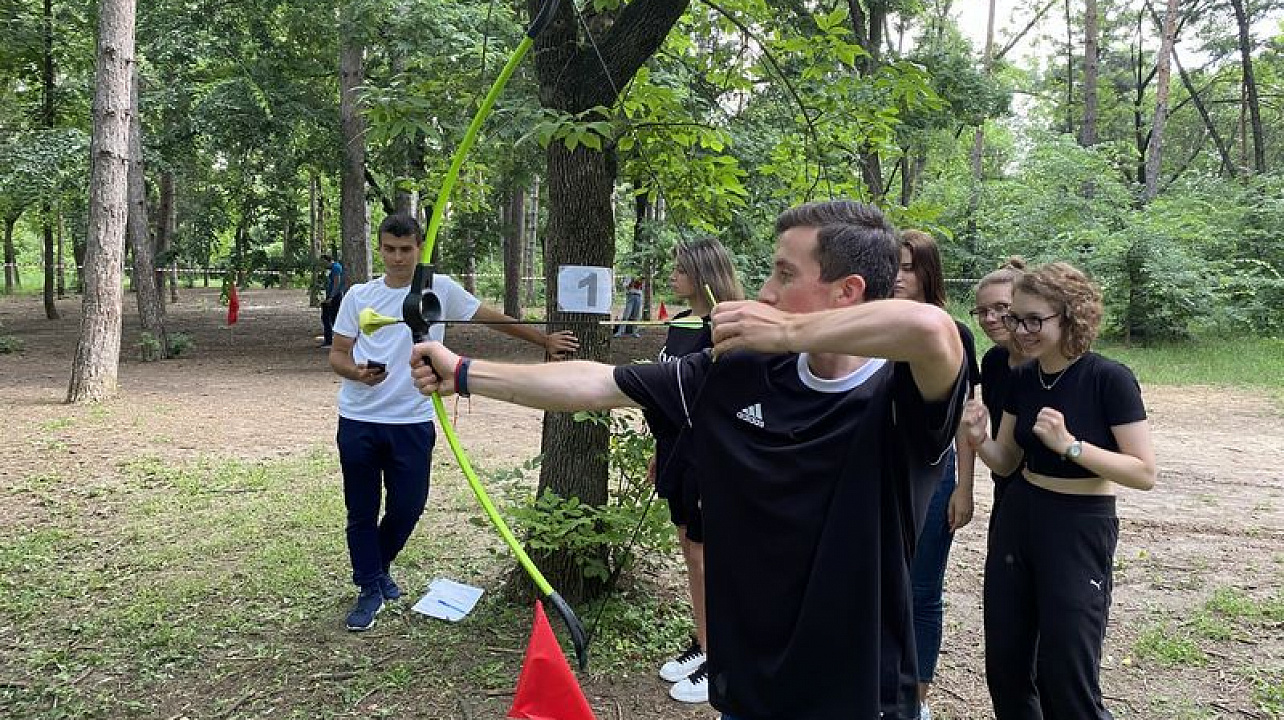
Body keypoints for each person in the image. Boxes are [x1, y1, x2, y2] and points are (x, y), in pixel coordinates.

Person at [409, 200, 967, 720]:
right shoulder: (743, 370)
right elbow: (602, 383)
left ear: (847, 291)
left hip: (858, 688)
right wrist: (462, 372)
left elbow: (933, 329)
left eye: (784, 274)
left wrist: (787, 330)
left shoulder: (902, 393)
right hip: (750, 675)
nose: (765, 292)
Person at [329, 213, 580, 632]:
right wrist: (357, 372)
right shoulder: (359, 295)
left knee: (409, 506)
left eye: (405, 250)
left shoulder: (437, 289)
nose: (396, 258)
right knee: (361, 509)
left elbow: (491, 318)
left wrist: (545, 340)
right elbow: (338, 353)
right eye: (389, 249)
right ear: (380, 247)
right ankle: (370, 586)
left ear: (419, 247)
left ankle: (377, 568)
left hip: (413, 419)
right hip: (359, 418)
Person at [959, 262, 1156, 720]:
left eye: (1033, 320)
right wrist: (978, 438)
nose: (1020, 330)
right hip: (1019, 515)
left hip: (1079, 525)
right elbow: (1006, 460)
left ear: (1070, 316)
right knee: (1006, 666)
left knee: (1065, 674)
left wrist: (1072, 446)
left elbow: (1143, 472)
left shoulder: (1109, 378)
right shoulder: (1024, 378)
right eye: (1015, 319)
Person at [650, 238, 745, 704]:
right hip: (676, 453)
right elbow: (670, 394)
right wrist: (659, 451)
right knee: (691, 551)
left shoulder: (724, 326)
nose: (673, 273)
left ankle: (723, 657)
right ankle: (706, 643)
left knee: (710, 557)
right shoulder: (682, 325)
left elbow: (727, 401)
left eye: (681, 267)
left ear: (705, 272)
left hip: (711, 457)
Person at [894, 230, 980, 720]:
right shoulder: (874, 328)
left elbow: (968, 418)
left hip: (933, 477)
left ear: (929, 271)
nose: (900, 276)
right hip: (878, 477)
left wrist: (964, 487)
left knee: (921, 590)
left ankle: (916, 700)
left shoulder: (954, 332)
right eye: (893, 266)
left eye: (909, 266)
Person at [968, 258, 1029, 513]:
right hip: (1005, 488)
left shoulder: (1052, 365)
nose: (990, 318)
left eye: (1001, 308)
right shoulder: (993, 362)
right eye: (982, 311)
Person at [320, 253, 344, 348]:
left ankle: (331, 340)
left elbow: (336, 283)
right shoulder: (332, 268)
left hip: (335, 297)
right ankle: (330, 339)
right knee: (327, 317)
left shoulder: (336, 268)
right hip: (331, 296)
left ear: (327, 260)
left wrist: (331, 297)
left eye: (323, 262)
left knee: (330, 318)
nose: (323, 265)